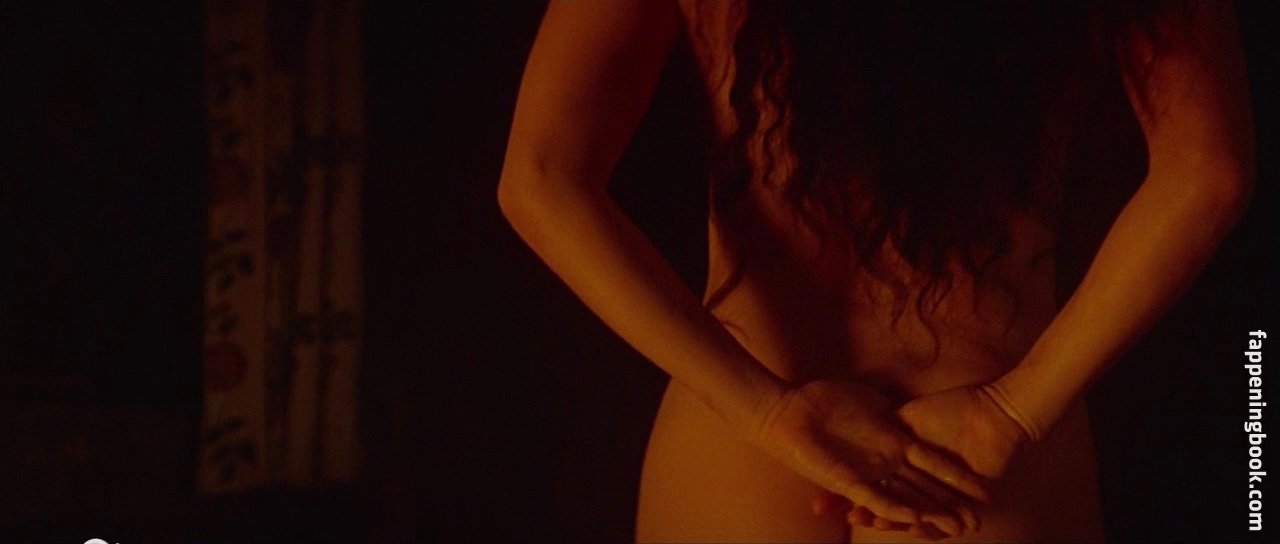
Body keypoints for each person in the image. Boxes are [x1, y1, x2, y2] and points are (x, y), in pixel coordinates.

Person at [496, 0, 1253, 541]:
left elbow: (541, 176)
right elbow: (1206, 171)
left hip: (749, 423)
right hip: (981, 445)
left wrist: (768, 414)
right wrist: (1012, 412)